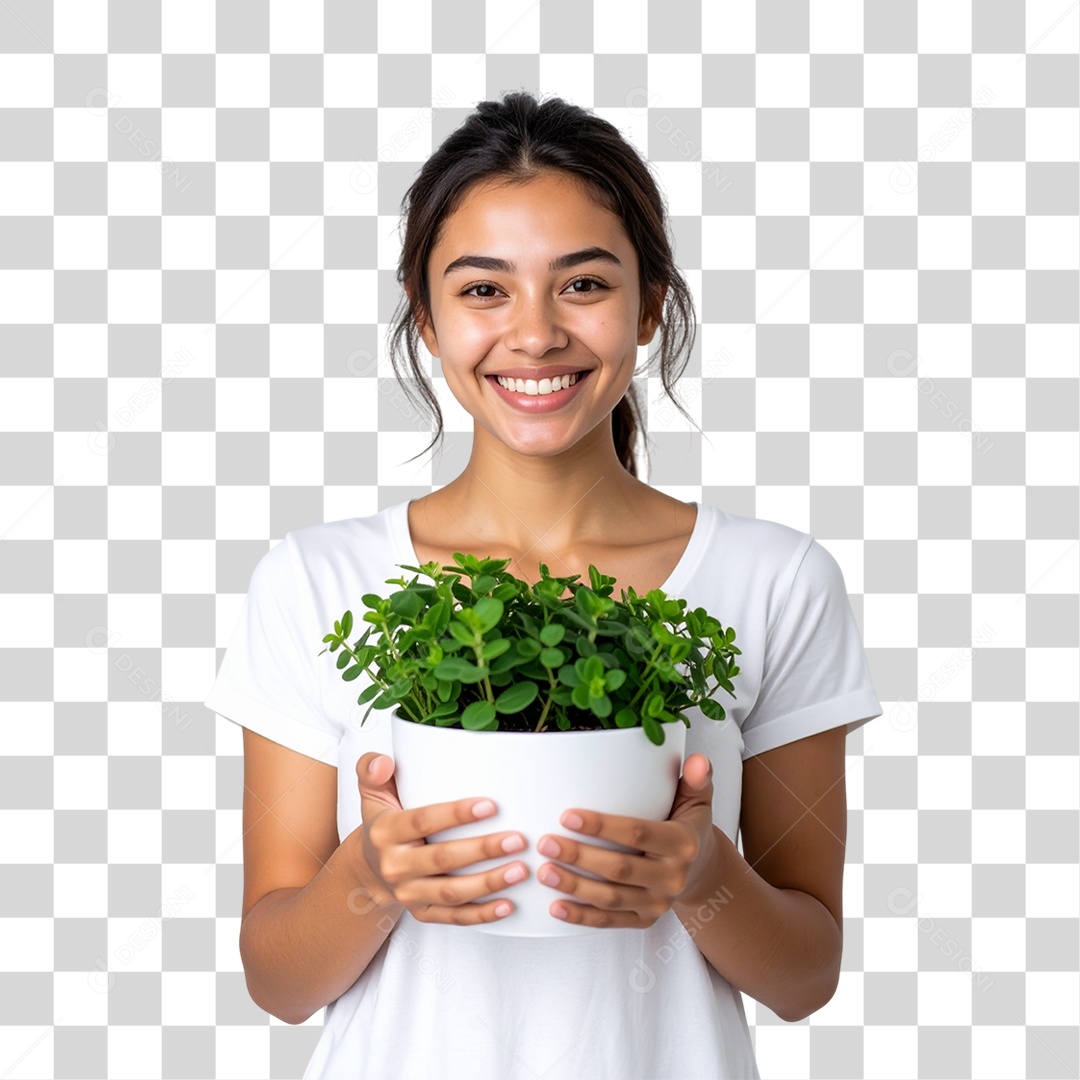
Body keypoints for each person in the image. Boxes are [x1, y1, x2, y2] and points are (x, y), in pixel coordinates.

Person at [205, 91, 883, 1080]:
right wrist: (370, 876)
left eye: (583, 285)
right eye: (483, 289)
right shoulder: (315, 579)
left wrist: (705, 880)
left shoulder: (774, 579)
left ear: (649, 303)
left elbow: (805, 976)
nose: (533, 336)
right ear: (426, 316)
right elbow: (278, 981)